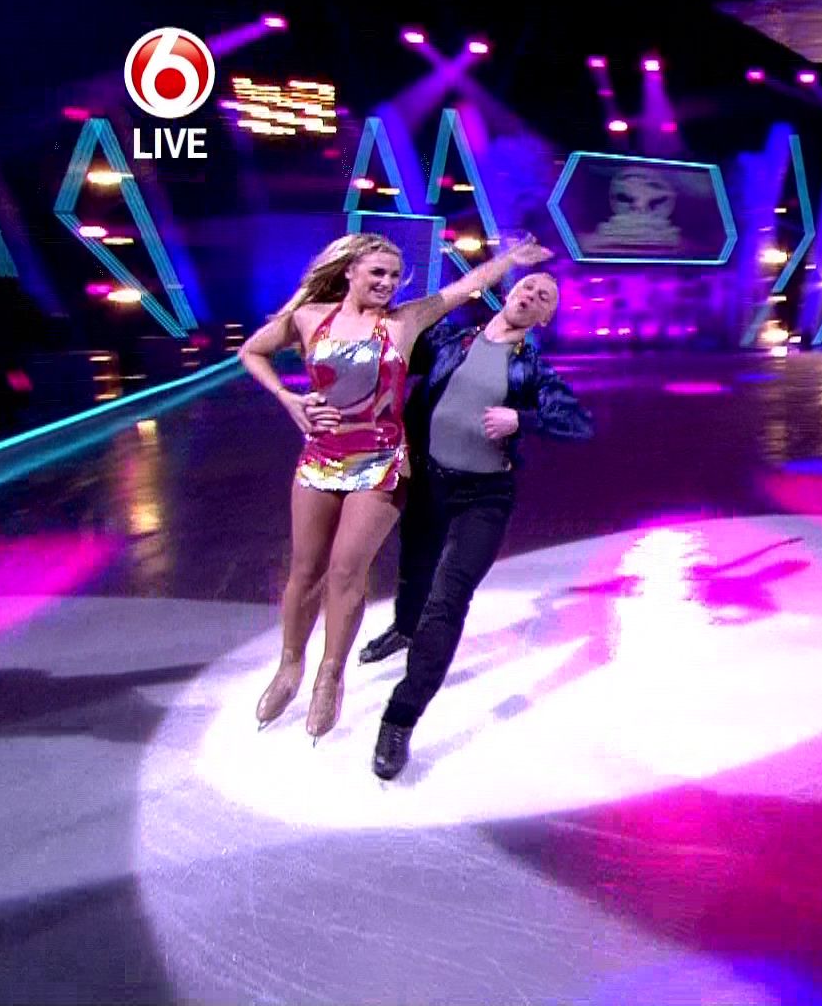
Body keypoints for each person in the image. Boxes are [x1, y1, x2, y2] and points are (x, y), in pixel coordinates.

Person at [238, 232, 553, 741]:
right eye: (377, 273)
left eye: (394, 276)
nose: (387, 283)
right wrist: (289, 399)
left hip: (382, 462)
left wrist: (507, 261)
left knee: (347, 570)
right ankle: (290, 664)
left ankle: (330, 675)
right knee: (305, 571)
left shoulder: (404, 322)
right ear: (349, 272)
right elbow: (252, 351)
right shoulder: (310, 317)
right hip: (320, 457)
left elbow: (464, 288)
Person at [334, 272, 593, 779]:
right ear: (509, 292)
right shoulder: (450, 340)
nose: (532, 295)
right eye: (528, 286)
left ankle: (400, 719)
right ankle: (403, 630)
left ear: (545, 317)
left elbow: (579, 422)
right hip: (429, 480)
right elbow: (397, 338)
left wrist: (523, 420)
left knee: (448, 599)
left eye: (544, 297)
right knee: (415, 565)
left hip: (485, 498)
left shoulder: (533, 368)